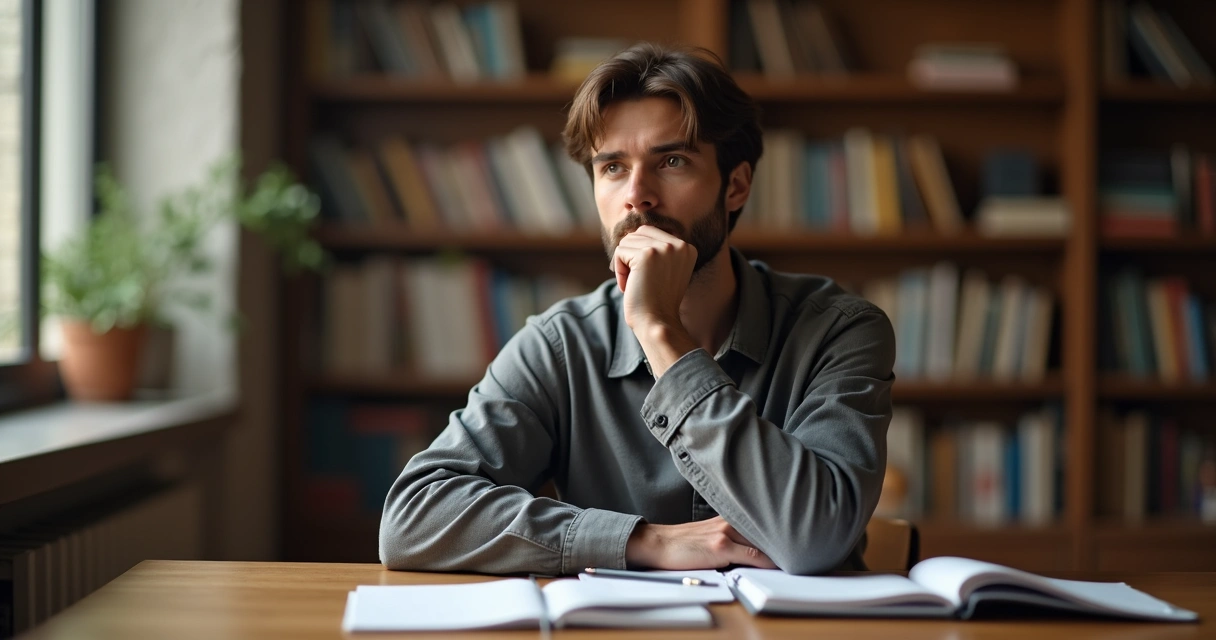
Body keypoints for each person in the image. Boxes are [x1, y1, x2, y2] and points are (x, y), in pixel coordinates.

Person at [379, 43, 895, 576]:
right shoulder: (561, 345)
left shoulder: (840, 330)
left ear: (735, 186)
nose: (637, 195)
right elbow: (412, 520)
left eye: (672, 162)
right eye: (613, 168)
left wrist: (659, 331)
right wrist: (644, 542)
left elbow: (814, 537)